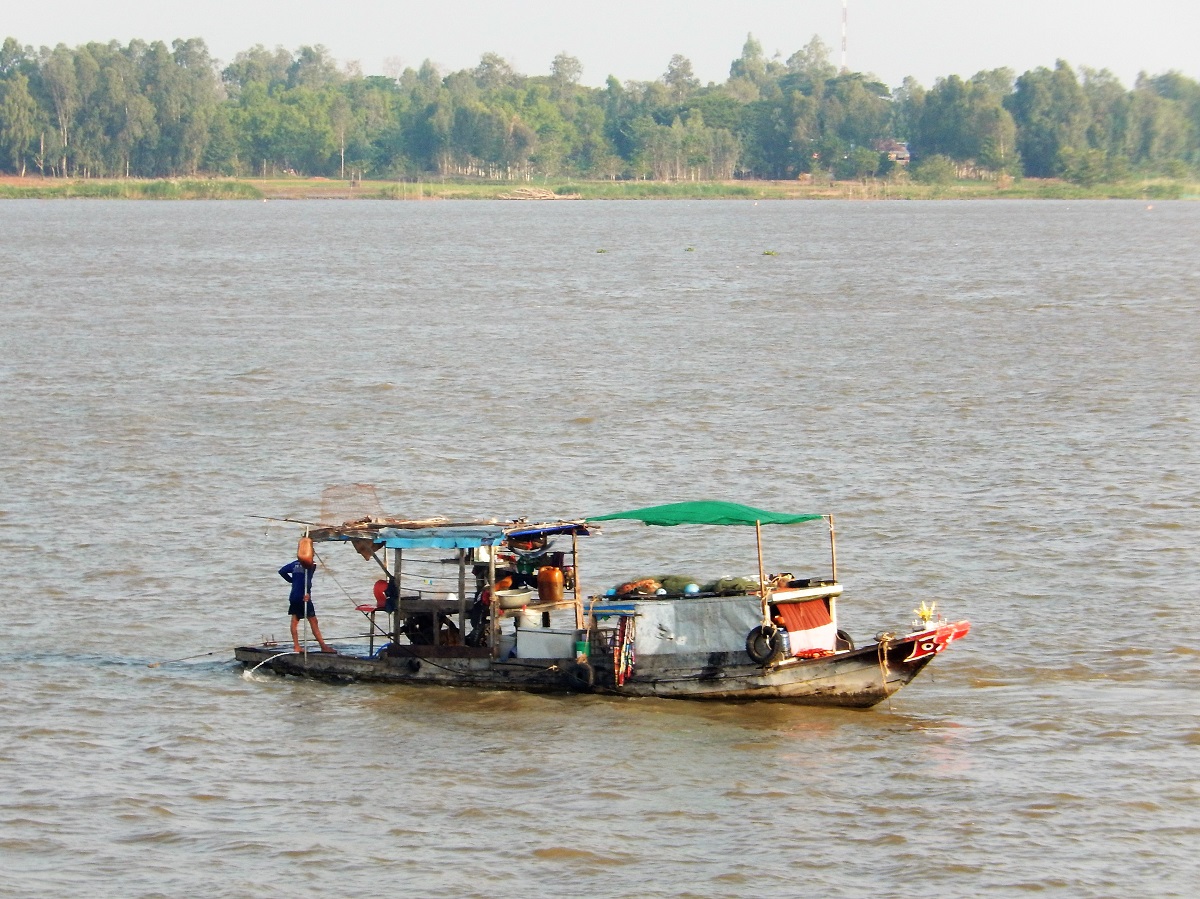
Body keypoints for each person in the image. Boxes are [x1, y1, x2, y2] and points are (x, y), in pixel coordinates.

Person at [279, 558, 334, 653]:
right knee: (313, 621)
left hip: (294, 595)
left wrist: (292, 580)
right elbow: (307, 580)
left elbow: (282, 571)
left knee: (294, 621)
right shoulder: (311, 565)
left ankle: (296, 646)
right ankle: (323, 646)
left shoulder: (294, 564)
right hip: (304, 596)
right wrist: (307, 592)